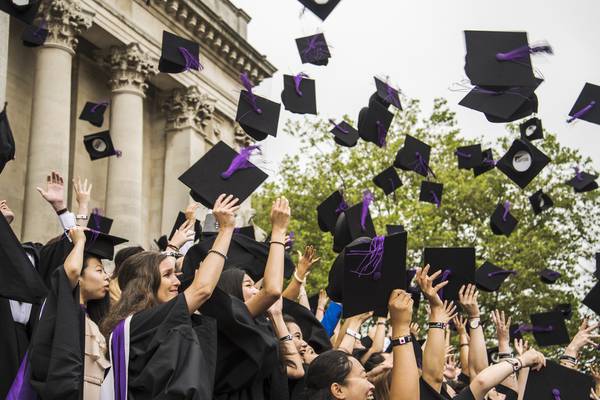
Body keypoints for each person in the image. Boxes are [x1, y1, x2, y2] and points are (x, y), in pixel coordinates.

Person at [100, 194, 239, 398]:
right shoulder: (140, 324)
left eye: (175, 274)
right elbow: (202, 289)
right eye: (167, 275)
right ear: (145, 284)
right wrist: (226, 230)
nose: (177, 282)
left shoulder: (153, 323)